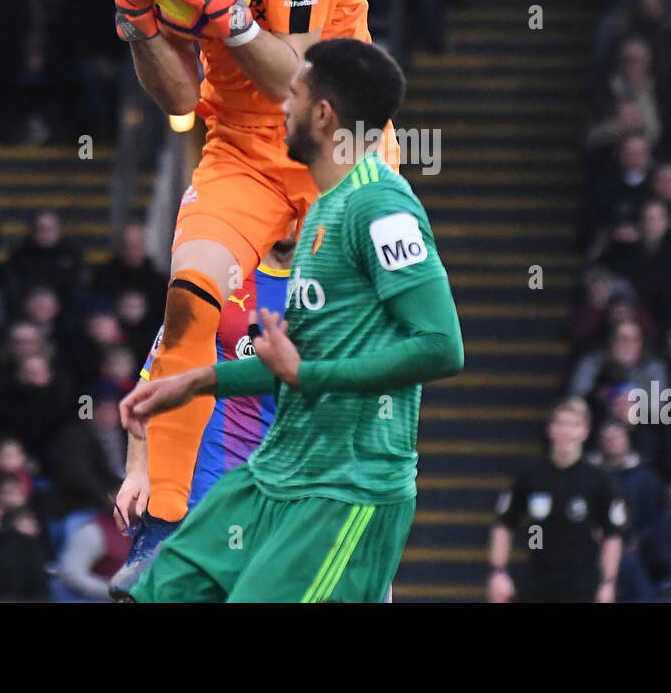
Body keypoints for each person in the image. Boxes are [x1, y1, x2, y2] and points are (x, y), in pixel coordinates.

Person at [109, 0, 400, 536]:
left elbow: (302, 84)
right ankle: (163, 530)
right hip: (238, 149)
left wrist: (230, 18)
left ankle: (355, 526)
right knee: (187, 299)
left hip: (340, 141)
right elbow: (176, 99)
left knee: (354, 337)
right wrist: (140, 26)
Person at [120, 40, 461, 602]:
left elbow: (443, 347)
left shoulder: (381, 207)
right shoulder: (320, 210)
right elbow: (291, 361)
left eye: (292, 94)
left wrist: (309, 375)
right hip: (274, 476)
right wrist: (195, 380)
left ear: (323, 114)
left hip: (346, 486)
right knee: (154, 594)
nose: (279, 106)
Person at [107, 239, 292, 599]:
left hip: (300, 486)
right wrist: (137, 470)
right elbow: (155, 378)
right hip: (213, 485)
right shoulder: (218, 276)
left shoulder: (333, 281)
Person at [489, 397, 626, 603]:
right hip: (538, 579)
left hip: (583, 583)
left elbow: (612, 536)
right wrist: (498, 572)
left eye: (574, 425)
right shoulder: (531, 476)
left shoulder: (599, 479)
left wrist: (608, 583)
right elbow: (504, 525)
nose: (566, 431)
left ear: (585, 431)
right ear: (550, 429)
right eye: (561, 423)